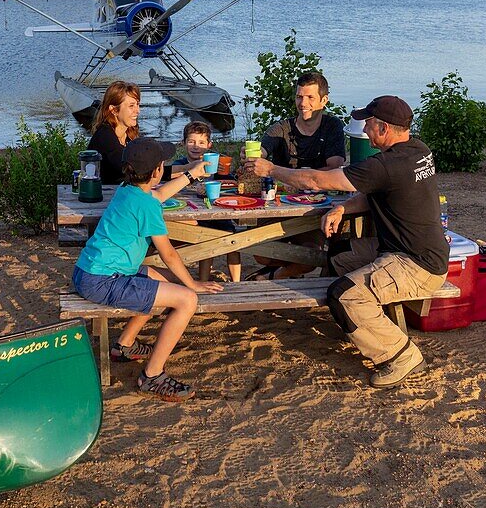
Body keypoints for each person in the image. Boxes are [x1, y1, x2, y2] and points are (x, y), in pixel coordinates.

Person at [244, 95, 449, 388]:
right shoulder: (418, 150)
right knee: (337, 254)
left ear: (384, 128)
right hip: (405, 250)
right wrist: (342, 207)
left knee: (343, 294)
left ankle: (401, 355)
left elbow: (315, 181)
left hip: (416, 264)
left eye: (368, 123)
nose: (364, 129)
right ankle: (355, 323)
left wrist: (272, 170)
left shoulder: (387, 164)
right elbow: (376, 191)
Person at [74, 137, 222, 401]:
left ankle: (124, 345)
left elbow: (160, 194)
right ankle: (152, 375)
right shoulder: (147, 206)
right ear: (157, 171)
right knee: (186, 299)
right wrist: (194, 284)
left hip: (89, 271)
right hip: (103, 280)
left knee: (159, 280)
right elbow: (168, 253)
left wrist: (191, 174)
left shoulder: (127, 190)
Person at [251, 70, 345, 279]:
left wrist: (298, 178)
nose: (303, 103)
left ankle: (274, 276)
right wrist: (252, 155)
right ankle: (290, 270)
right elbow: (262, 150)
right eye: (299, 96)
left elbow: (335, 166)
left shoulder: (332, 126)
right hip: (281, 205)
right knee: (260, 253)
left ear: (324, 100)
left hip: (314, 207)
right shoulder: (281, 128)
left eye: (310, 97)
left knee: (314, 254)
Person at [166, 120, 243, 282]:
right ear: (184, 143)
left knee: (233, 241)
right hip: (193, 213)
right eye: (191, 141)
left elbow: (233, 184)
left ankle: (237, 282)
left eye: (201, 142)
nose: (196, 146)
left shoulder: (216, 163)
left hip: (217, 212)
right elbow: (169, 182)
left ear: (209, 145)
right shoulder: (180, 165)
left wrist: (220, 180)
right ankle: (203, 280)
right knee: (206, 243)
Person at [87, 80, 142, 185]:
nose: (137, 110)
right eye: (131, 106)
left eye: (137, 104)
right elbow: (132, 169)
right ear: (114, 110)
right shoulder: (105, 136)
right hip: (104, 197)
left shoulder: (129, 135)